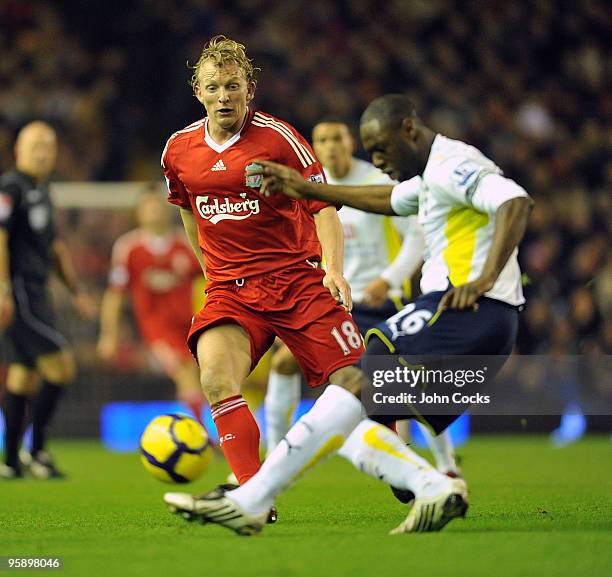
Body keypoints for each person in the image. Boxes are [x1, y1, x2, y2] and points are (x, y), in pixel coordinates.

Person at [164, 94, 532, 534]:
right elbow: (389, 198)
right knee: (357, 415)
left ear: (409, 130)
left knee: (356, 379)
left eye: (381, 148)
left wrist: (485, 278)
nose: (376, 159)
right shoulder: (432, 174)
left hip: (464, 307)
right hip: (479, 320)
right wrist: (307, 188)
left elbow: (515, 199)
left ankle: (252, 499)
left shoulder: (454, 163)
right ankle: (432, 484)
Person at [160, 35, 364, 489]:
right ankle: (254, 492)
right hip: (232, 292)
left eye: (232, 86)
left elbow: (323, 206)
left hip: (296, 279)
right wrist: (210, 271)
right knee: (214, 378)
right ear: (198, 93)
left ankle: (400, 466)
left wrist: (334, 270)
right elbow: (187, 211)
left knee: (354, 380)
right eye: (212, 87)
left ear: (249, 89)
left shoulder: (280, 138)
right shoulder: (178, 150)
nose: (223, 96)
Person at [264, 120, 461, 481]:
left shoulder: (378, 180)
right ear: (314, 146)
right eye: (322, 140)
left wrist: (389, 279)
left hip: (382, 301)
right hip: (334, 301)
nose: (330, 146)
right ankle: (273, 456)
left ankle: (446, 463)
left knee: (408, 378)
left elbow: (416, 237)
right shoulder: (307, 188)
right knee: (284, 363)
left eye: (336, 138)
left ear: (349, 141)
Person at [0, 121, 95, 479]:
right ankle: (36, 451)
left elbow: (54, 247)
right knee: (62, 366)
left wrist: (75, 291)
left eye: (48, 146)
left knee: (22, 378)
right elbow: (0, 238)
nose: (42, 152)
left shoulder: (43, 189)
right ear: (18, 150)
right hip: (20, 292)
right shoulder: (11, 187)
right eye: (34, 145)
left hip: (37, 292)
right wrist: (3, 289)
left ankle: (10, 462)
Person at [97, 185, 206, 423]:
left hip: (190, 324)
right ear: (138, 213)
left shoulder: (186, 244)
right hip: (156, 330)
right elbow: (115, 295)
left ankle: (193, 429)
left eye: (158, 204)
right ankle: (203, 435)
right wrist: (109, 334)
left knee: (200, 377)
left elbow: (209, 279)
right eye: (148, 206)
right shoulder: (129, 248)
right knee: (184, 374)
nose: (154, 210)